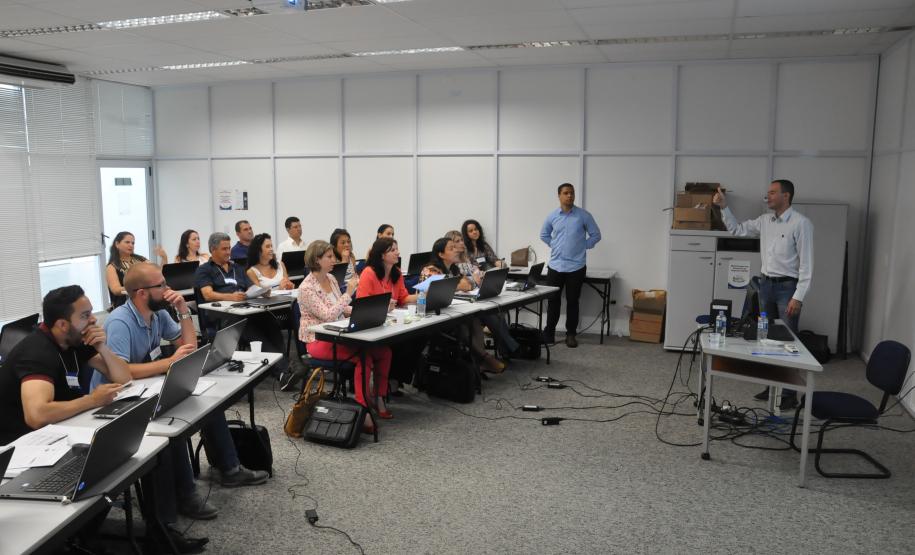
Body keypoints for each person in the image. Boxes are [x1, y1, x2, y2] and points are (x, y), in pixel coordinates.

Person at [713, 180, 814, 410]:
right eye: (767, 192)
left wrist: (798, 296)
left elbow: (807, 265)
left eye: (772, 192)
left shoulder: (801, 224)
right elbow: (737, 229)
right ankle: (771, 384)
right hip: (766, 285)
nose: (767, 196)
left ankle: (788, 393)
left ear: (786, 196)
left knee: (788, 340)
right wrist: (723, 207)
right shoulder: (765, 221)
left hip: (787, 288)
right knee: (766, 337)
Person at [0, 285, 130, 445]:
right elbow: (36, 416)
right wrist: (93, 400)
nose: (93, 319)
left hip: (60, 431)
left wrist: (102, 347)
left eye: (91, 312)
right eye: (85, 315)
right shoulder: (36, 352)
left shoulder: (74, 338)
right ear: (62, 325)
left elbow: (124, 378)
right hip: (20, 446)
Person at [297, 240, 388, 431]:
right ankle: (363, 411)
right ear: (316, 259)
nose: (333, 260)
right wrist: (349, 293)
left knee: (384, 352)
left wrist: (366, 309)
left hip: (337, 332)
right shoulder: (306, 288)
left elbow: (341, 308)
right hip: (318, 339)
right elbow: (328, 314)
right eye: (329, 257)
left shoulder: (330, 278)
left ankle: (378, 397)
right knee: (363, 357)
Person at [195, 232, 289, 376]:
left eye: (229, 248)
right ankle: (282, 370)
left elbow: (251, 287)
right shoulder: (205, 270)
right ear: (213, 250)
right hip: (224, 316)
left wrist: (262, 291)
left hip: (246, 310)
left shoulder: (237, 268)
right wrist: (230, 297)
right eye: (224, 249)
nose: (228, 252)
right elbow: (207, 294)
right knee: (250, 328)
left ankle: (286, 367)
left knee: (270, 321)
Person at [427, 237, 505, 373]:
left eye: (455, 247)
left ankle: (479, 362)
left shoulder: (453, 268)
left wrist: (455, 285)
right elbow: (440, 291)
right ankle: (485, 358)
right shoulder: (431, 270)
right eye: (451, 248)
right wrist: (456, 285)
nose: (456, 250)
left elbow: (467, 285)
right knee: (462, 326)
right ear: (441, 254)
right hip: (435, 315)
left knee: (474, 321)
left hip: (452, 309)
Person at [540, 183, 602, 348]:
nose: (569, 196)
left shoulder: (583, 216)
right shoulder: (552, 216)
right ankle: (549, 333)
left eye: (572, 193)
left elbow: (596, 235)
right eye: (566, 193)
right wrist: (554, 245)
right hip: (555, 266)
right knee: (553, 301)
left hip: (576, 266)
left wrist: (584, 246)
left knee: (573, 301)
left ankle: (571, 334)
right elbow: (544, 234)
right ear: (559, 195)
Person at [358, 237, 421, 394]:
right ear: (381, 255)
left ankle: (395, 379)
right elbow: (363, 305)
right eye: (392, 250)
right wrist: (384, 308)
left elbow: (403, 298)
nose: (397, 252)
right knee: (401, 343)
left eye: (397, 249)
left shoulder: (396, 273)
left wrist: (422, 296)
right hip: (373, 324)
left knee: (417, 337)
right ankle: (390, 381)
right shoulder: (369, 273)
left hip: (391, 323)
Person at [106, 231, 167, 309]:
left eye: (133, 243)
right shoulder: (112, 266)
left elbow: (158, 274)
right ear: (117, 244)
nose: (131, 245)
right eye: (127, 242)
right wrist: (138, 288)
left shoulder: (141, 260)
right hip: (124, 304)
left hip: (146, 300)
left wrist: (164, 258)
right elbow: (116, 290)